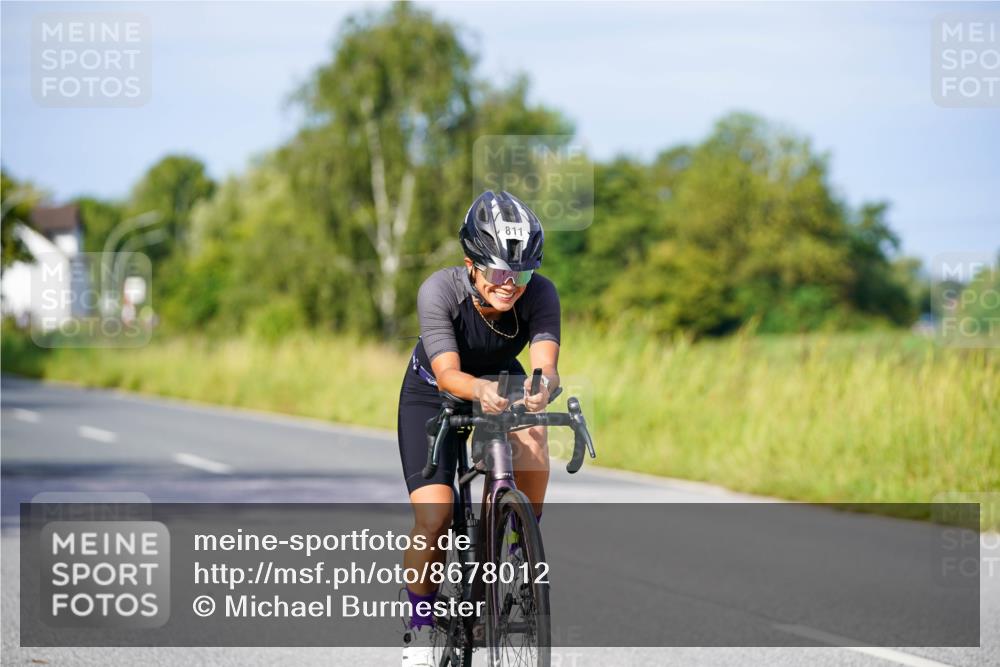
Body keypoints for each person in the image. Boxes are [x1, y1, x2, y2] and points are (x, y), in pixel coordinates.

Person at [397, 190, 561, 666]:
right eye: (498, 272)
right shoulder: (439, 290)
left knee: (533, 431)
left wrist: (541, 388)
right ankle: (421, 628)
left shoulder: (541, 293)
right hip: (434, 390)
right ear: (471, 262)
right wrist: (478, 392)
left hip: (499, 379)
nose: (511, 284)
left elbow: (546, 365)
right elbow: (449, 374)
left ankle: (516, 538)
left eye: (523, 272)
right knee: (436, 520)